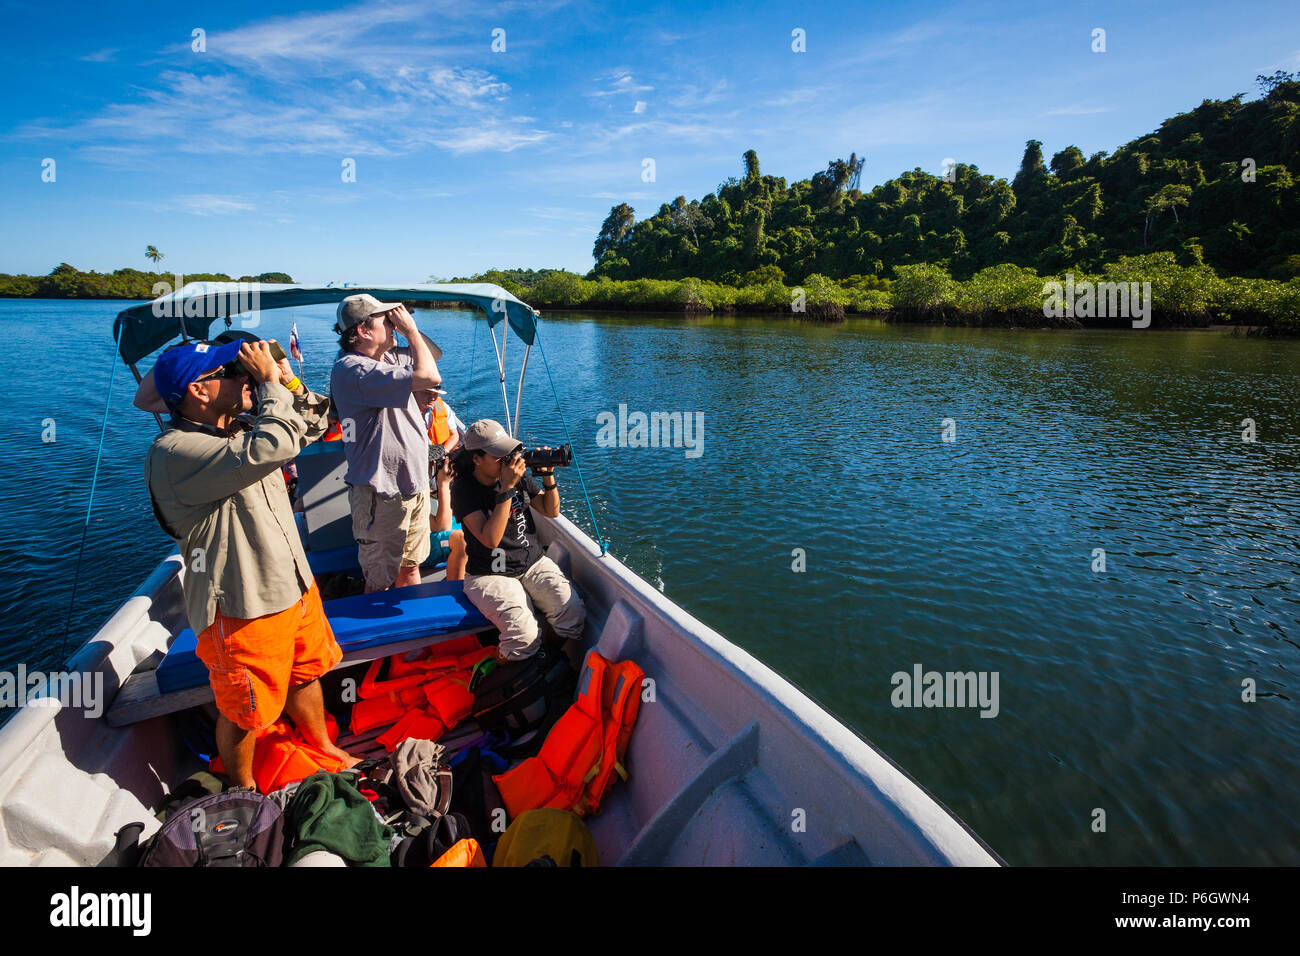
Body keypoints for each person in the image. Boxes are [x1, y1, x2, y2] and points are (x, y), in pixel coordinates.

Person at [145, 339, 358, 789]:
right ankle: (243, 790)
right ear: (199, 391)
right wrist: (265, 384)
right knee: (245, 711)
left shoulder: (241, 428)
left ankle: (321, 744)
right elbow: (275, 447)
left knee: (306, 675)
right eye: (231, 371)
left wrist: (286, 378)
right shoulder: (174, 451)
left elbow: (315, 422)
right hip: (243, 606)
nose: (244, 376)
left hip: (294, 585)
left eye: (243, 369)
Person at [330, 294, 442, 592]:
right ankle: (380, 635)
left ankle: (414, 632)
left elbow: (434, 355)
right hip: (382, 493)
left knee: (411, 567)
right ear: (364, 332)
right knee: (380, 581)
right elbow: (430, 375)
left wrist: (404, 327)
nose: (394, 326)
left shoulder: (388, 358)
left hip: (413, 485)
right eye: (386, 322)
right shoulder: (353, 369)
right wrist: (411, 332)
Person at [450, 419, 586, 662]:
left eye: (509, 452)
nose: (509, 460)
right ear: (476, 459)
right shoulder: (464, 489)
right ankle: (503, 674)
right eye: (499, 455)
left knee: (572, 613)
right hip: (490, 573)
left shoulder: (516, 476)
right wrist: (507, 488)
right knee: (522, 635)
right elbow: (490, 539)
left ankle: (544, 659)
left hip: (531, 562)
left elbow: (550, 510)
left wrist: (548, 477)